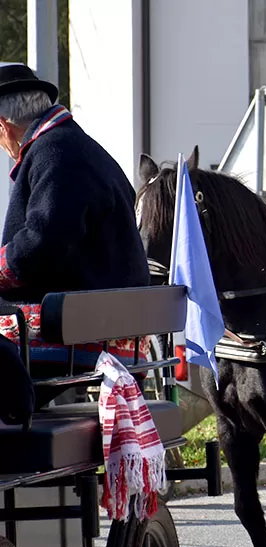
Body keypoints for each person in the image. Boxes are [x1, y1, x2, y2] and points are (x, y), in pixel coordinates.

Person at [0, 62, 149, 386]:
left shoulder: (56, 153)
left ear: (3, 126)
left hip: (74, 343)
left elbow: (41, 246)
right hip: (104, 330)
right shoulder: (78, 148)